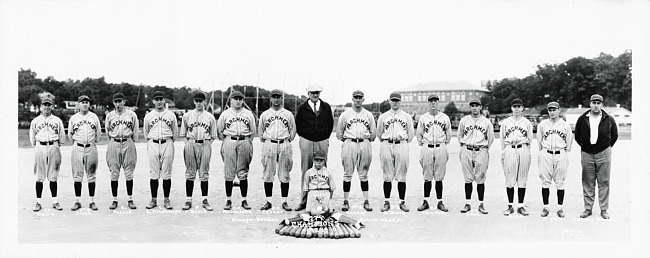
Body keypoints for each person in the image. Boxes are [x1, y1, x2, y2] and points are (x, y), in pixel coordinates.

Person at [282, 150, 365, 230]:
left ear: (324, 161)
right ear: (313, 160)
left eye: (321, 160)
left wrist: (328, 198)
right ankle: (288, 221)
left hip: (325, 192)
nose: (318, 162)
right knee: (309, 213)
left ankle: (355, 223)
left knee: (328, 213)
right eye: (316, 160)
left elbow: (332, 188)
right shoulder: (308, 172)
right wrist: (308, 200)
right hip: (312, 193)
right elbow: (305, 189)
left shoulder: (328, 172)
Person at [575, 94, 618, 219]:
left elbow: (614, 136)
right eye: (594, 102)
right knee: (588, 181)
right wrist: (586, 147)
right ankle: (588, 209)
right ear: (590, 104)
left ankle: (604, 209)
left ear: (602, 105)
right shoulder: (582, 119)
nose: (596, 105)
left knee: (604, 181)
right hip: (587, 153)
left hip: (604, 153)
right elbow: (578, 136)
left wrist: (605, 147)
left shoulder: (609, 119)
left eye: (598, 103)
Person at [294, 85, 334, 211]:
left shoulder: (326, 107)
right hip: (307, 140)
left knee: (323, 169)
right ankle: (304, 200)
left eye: (317, 93)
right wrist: (305, 136)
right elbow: (298, 124)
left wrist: (324, 136)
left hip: (322, 140)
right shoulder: (302, 108)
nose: (315, 95)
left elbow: (330, 123)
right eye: (313, 93)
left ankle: (324, 200)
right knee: (306, 169)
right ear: (308, 94)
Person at [335, 90, 376, 212]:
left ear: (363, 99)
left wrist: (366, 140)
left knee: (363, 174)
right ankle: (346, 200)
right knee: (347, 173)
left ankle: (366, 200)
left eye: (360, 98)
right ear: (352, 99)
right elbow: (339, 133)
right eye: (356, 97)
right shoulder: (345, 114)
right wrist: (348, 140)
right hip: (349, 143)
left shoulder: (368, 115)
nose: (358, 100)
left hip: (364, 143)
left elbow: (373, 134)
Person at [216, 90, 257, 210]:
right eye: (236, 99)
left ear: (243, 100)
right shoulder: (225, 114)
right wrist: (226, 139)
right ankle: (228, 200)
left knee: (243, 171)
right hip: (229, 140)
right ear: (231, 100)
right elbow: (220, 130)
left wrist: (247, 141)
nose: (238, 101)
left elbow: (253, 131)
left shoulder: (248, 114)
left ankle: (244, 200)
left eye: (240, 99)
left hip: (244, 141)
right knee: (229, 172)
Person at [258, 89, 296, 211]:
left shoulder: (288, 114)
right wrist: (267, 141)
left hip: (284, 143)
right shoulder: (265, 114)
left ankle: (284, 202)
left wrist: (288, 140)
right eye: (273, 97)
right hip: (269, 143)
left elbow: (293, 130)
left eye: (278, 97)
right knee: (268, 173)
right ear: (270, 99)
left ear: (281, 98)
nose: (276, 99)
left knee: (284, 173)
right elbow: (261, 131)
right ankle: (268, 201)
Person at [376, 92, 414, 212]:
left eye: (397, 100)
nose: (395, 102)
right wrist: (386, 141)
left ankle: (402, 202)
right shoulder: (383, 116)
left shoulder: (406, 116)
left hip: (401, 144)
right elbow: (379, 133)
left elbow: (411, 134)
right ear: (390, 101)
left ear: (400, 101)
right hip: (387, 143)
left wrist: (402, 141)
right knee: (387, 174)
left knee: (402, 174)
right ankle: (387, 201)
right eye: (393, 100)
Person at [180, 92, 217, 211]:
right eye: (197, 101)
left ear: (205, 102)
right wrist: (188, 144)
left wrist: (207, 145)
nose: (199, 103)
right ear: (194, 102)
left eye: (201, 101)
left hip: (205, 143)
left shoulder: (210, 117)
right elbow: (183, 134)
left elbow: (213, 135)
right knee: (190, 173)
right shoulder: (187, 116)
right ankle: (188, 200)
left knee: (204, 173)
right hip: (191, 143)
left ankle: (205, 200)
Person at [457, 98, 494, 215]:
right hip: (467, 149)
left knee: (480, 178)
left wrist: (484, 149)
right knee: (467, 178)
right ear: (470, 107)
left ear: (480, 107)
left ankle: (481, 204)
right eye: (472, 105)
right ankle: (467, 203)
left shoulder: (486, 122)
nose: (474, 108)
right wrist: (463, 146)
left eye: (476, 105)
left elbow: (491, 138)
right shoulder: (464, 120)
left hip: (481, 150)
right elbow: (459, 135)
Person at [536, 101, 573, 218]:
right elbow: (539, 140)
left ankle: (559, 208)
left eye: (554, 110)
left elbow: (569, 142)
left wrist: (564, 151)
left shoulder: (565, 125)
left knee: (560, 182)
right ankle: (546, 207)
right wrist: (543, 152)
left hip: (560, 153)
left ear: (559, 110)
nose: (552, 112)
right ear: (548, 111)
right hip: (546, 153)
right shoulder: (542, 124)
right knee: (545, 181)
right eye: (550, 110)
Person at [415, 94, 451, 212]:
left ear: (438, 103)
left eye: (435, 101)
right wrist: (424, 144)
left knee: (439, 177)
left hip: (440, 147)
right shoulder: (423, 118)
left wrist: (443, 144)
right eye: (431, 101)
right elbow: (419, 134)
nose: (433, 103)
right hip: (427, 147)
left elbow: (448, 135)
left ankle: (440, 202)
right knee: (427, 176)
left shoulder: (444, 117)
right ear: (428, 103)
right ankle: (425, 201)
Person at [29, 95, 66, 212]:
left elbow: (62, 137)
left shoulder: (57, 120)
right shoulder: (35, 121)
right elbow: (32, 138)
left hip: (53, 146)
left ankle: (55, 201)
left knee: (53, 176)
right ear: (41, 107)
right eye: (44, 105)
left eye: (49, 105)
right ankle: (38, 202)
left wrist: (56, 145)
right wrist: (37, 145)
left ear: (52, 107)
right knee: (39, 176)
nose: (46, 107)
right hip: (40, 146)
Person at [143, 91, 179, 210]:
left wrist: (169, 140)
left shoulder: (170, 115)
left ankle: (166, 199)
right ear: (153, 101)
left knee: (166, 173)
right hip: (153, 143)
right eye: (156, 99)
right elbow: (146, 133)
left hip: (167, 142)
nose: (159, 101)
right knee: (154, 173)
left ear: (164, 100)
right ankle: (153, 200)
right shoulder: (149, 116)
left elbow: (175, 133)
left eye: (161, 99)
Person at [105, 93, 139, 210]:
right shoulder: (109, 116)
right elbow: (107, 131)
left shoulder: (131, 115)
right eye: (116, 101)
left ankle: (130, 199)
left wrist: (130, 141)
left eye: (120, 101)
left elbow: (135, 132)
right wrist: (113, 141)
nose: (118, 104)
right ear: (113, 102)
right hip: (114, 142)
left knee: (129, 172)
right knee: (114, 173)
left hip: (128, 141)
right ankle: (114, 199)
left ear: (124, 101)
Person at [68, 95, 102, 211]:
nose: (85, 104)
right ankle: (77, 201)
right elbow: (70, 135)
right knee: (77, 175)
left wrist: (92, 142)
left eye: (87, 102)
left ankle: (92, 201)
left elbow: (98, 134)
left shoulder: (94, 117)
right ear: (78, 104)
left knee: (91, 174)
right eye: (82, 102)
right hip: (77, 147)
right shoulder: (73, 118)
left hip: (91, 147)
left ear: (89, 104)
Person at [499, 98, 533, 216]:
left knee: (522, 179)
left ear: (522, 108)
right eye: (515, 107)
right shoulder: (506, 122)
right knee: (509, 179)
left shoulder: (527, 122)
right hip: (509, 149)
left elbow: (530, 139)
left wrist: (525, 150)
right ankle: (510, 206)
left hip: (523, 148)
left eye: (519, 107)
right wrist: (505, 151)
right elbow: (502, 139)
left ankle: (521, 206)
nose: (517, 109)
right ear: (511, 108)